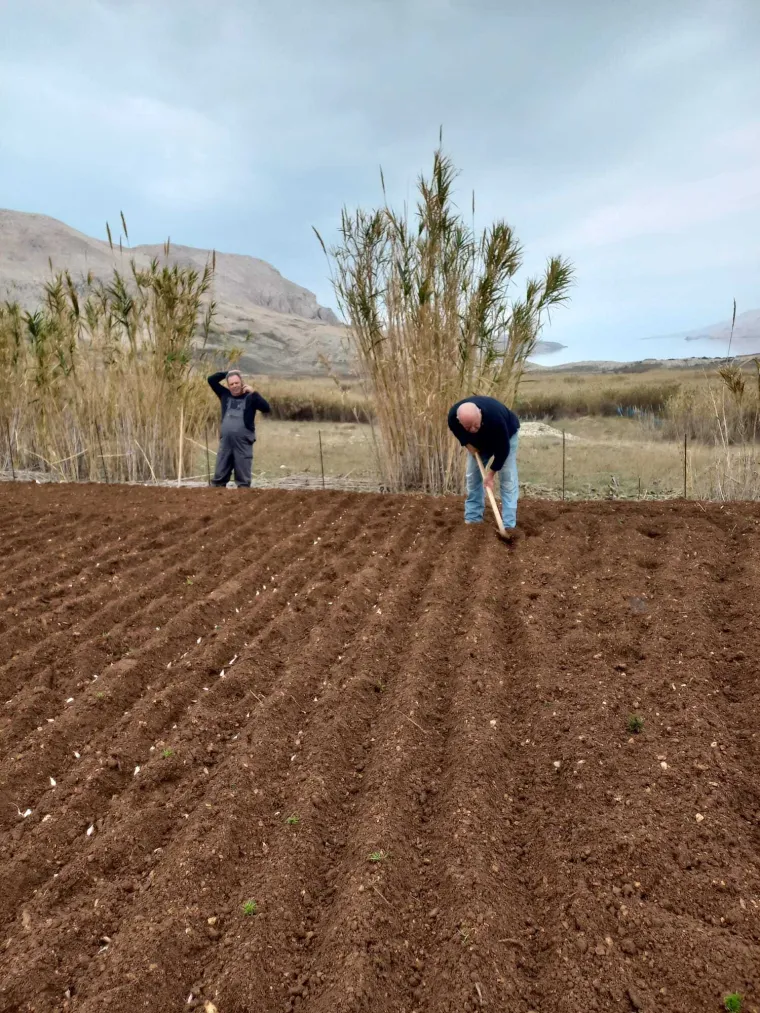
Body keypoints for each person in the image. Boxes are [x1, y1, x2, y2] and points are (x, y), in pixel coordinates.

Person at [447, 395, 520, 528]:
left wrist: (491, 475)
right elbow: (456, 430)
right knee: (473, 477)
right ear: (460, 421)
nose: (473, 429)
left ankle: (509, 525)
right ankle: (473, 519)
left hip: (506, 437)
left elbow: (503, 451)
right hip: (479, 444)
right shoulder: (453, 417)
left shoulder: (495, 419)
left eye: (476, 425)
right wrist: (467, 444)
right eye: (468, 428)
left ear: (480, 413)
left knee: (507, 479)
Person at [207, 368, 271, 488]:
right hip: (225, 442)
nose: (234, 386)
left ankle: (243, 498)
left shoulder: (250, 397)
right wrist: (228, 373)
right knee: (219, 476)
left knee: (243, 479)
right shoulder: (224, 394)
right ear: (228, 385)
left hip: (243, 443)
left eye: (237, 383)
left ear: (242, 382)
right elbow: (211, 380)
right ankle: (216, 497)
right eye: (231, 384)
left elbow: (266, 408)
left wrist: (254, 393)